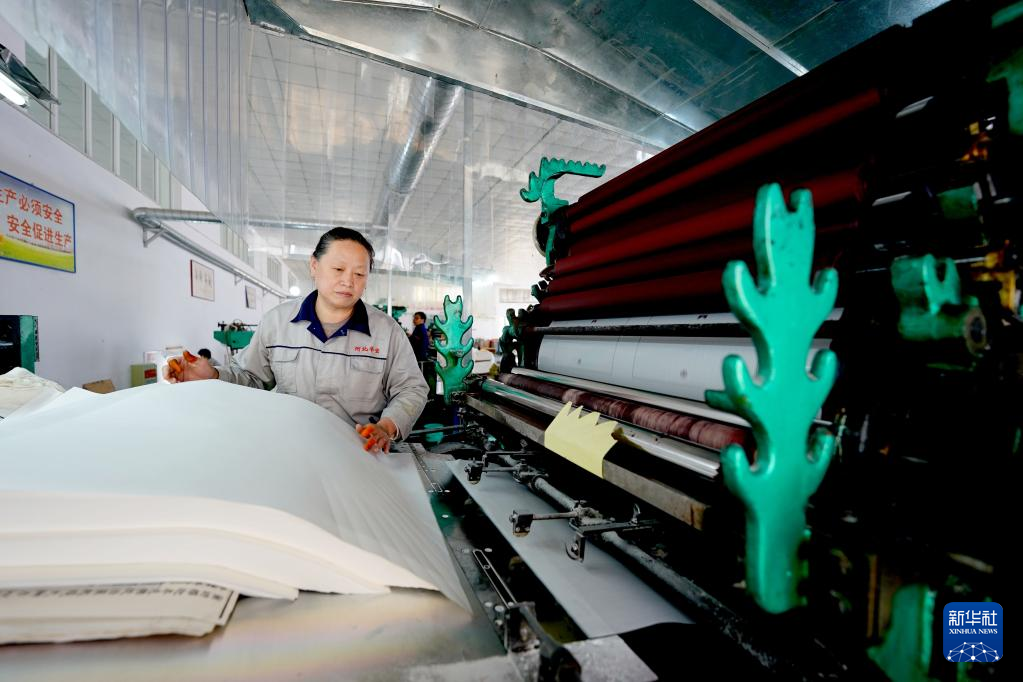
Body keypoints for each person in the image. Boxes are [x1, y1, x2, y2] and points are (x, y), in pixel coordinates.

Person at [167, 227, 428, 453]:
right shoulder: (277, 323)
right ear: (314, 265)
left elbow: (411, 389)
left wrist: (387, 427)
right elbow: (250, 377)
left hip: (359, 455)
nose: (348, 281)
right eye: (338, 269)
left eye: (359, 274)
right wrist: (213, 375)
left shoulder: (387, 332)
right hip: (289, 453)